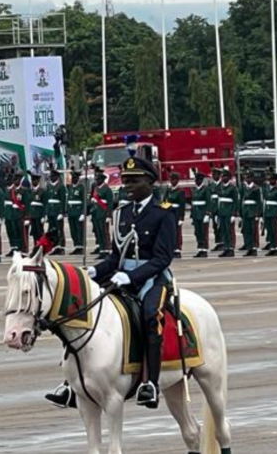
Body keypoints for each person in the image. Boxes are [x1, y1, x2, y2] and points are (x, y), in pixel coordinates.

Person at [92, 153, 176, 409]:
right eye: (125, 180)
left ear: (149, 182)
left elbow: (162, 259)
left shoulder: (164, 213)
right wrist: (94, 272)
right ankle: (75, 380)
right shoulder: (123, 213)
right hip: (122, 277)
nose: (127, 185)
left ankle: (150, 383)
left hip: (152, 280)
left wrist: (131, 276)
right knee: (88, 308)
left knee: (151, 316)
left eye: (133, 181)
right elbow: (116, 256)